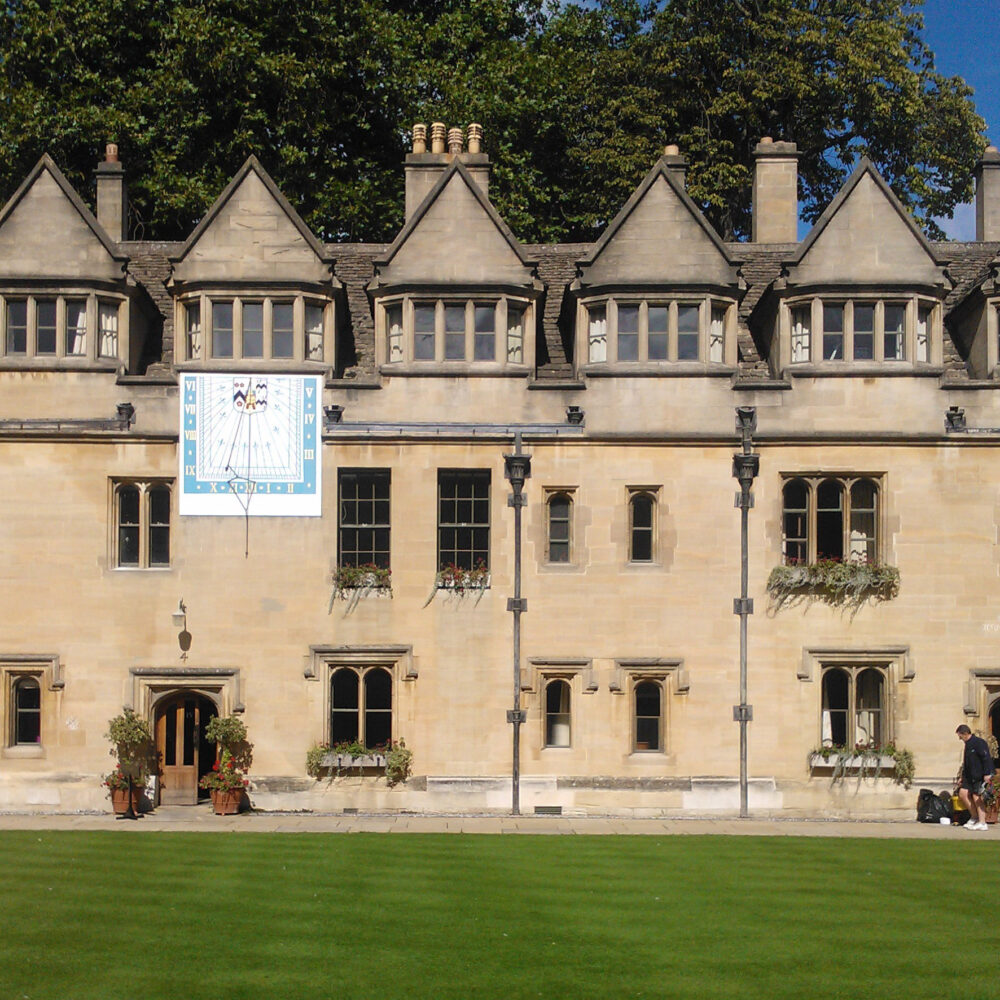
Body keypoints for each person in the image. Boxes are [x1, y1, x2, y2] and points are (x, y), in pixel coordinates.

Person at [956, 725, 995, 831]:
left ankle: (982, 822)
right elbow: (967, 763)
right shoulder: (967, 744)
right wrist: (962, 777)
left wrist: (987, 773)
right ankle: (974, 817)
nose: (960, 739)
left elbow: (986, 758)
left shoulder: (979, 742)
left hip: (980, 774)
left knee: (976, 797)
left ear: (965, 734)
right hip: (969, 775)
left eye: (960, 736)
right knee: (963, 793)